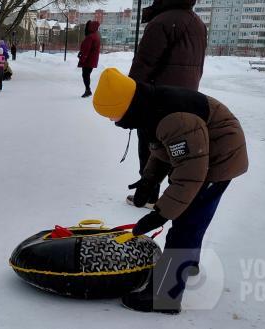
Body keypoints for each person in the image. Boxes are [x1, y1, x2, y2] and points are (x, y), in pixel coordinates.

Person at [92, 68, 248, 314]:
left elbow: (190, 173)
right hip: (203, 153)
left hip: (218, 158)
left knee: (186, 225)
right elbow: (165, 148)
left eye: (113, 115)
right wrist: (149, 180)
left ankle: (164, 296)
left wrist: (160, 213)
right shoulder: (149, 105)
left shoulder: (173, 118)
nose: (113, 122)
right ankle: (187, 264)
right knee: (192, 219)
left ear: (125, 107)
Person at [128, 0, 208, 208]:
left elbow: (144, 64)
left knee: (150, 146)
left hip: (157, 99)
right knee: (176, 147)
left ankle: (149, 194)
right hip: (187, 99)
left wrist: (132, 96)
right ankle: (175, 198)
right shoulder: (198, 23)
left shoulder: (162, 22)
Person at [77, 20, 101, 98]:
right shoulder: (96, 35)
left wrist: (82, 59)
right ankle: (88, 90)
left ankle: (88, 90)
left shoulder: (90, 37)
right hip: (92, 59)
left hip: (88, 60)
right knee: (87, 75)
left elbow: (86, 50)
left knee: (85, 75)